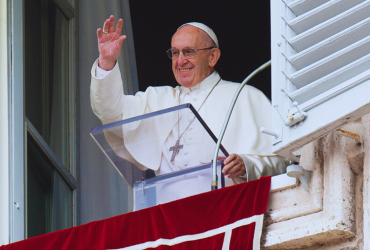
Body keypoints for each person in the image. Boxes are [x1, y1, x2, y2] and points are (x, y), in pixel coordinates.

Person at [91, 15, 287, 186]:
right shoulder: (157, 99)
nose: (180, 60)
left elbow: (285, 160)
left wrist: (247, 165)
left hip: (227, 212)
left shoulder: (245, 96)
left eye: (189, 51)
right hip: (169, 216)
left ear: (212, 56)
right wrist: (107, 62)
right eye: (175, 53)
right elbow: (111, 113)